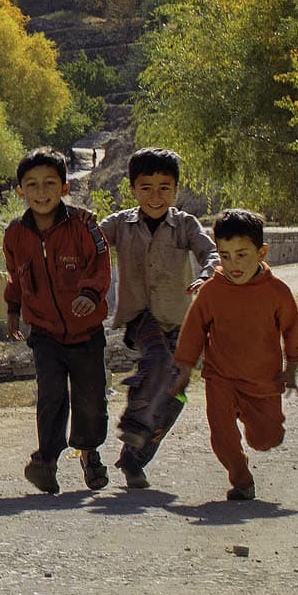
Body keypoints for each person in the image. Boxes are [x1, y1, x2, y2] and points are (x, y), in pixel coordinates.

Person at [99, 148, 219, 489]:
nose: (155, 196)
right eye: (146, 187)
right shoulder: (120, 224)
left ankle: (134, 459)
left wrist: (208, 273)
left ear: (176, 189)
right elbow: (88, 241)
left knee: (174, 396)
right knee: (159, 358)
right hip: (139, 316)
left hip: (180, 321)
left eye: (164, 187)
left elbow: (208, 251)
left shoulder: (184, 225)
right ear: (133, 189)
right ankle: (135, 422)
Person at [171, 209, 298, 501]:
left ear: (262, 252)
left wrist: (292, 368)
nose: (233, 264)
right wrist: (184, 371)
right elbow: (194, 330)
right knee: (222, 436)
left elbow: (293, 328)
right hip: (220, 377)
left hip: (262, 382)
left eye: (242, 255)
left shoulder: (277, 292)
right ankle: (241, 479)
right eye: (225, 255)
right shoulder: (211, 291)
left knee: (266, 438)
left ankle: (262, 433)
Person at [4, 147, 111, 494]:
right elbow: (15, 277)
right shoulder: (15, 235)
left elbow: (100, 264)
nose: (41, 192)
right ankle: (46, 461)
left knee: (90, 397)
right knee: (50, 394)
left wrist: (90, 295)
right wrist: (13, 311)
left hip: (86, 332)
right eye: (32, 185)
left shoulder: (84, 225)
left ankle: (89, 451)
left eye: (50, 183)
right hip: (46, 333)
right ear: (21, 191)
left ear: (65, 187)